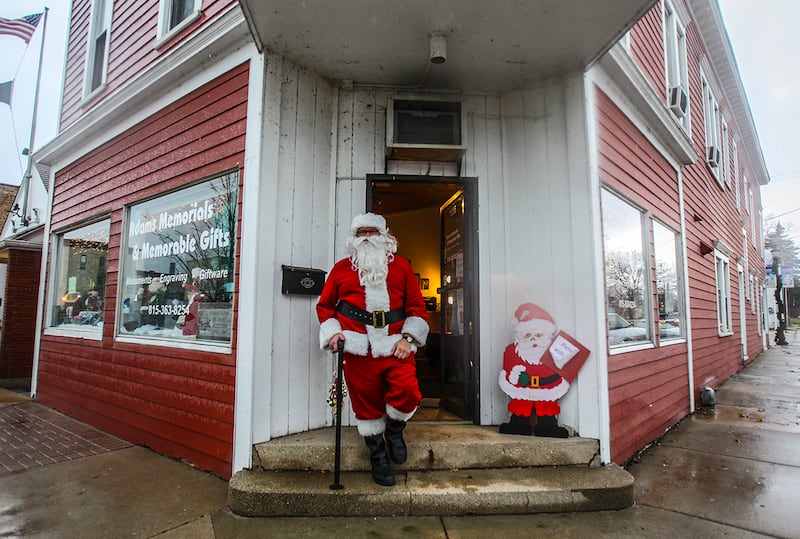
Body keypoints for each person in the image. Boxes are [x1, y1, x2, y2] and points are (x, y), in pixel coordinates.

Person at [317, 212, 429, 486]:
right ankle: (377, 457)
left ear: (384, 236)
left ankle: (394, 431)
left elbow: (417, 309)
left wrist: (409, 339)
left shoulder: (401, 267)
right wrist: (333, 334)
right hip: (356, 348)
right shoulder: (341, 269)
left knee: (408, 390)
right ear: (353, 238)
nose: (366, 237)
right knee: (365, 404)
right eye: (361, 233)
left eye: (372, 232)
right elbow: (325, 307)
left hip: (395, 346)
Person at [498, 303, 570, 438]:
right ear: (519, 335)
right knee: (520, 405)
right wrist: (513, 376)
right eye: (527, 335)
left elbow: (564, 367)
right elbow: (508, 370)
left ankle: (547, 426)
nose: (533, 339)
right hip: (521, 386)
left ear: (547, 334)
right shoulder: (512, 351)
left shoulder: (555, 349)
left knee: (547, 406)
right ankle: (518, 425)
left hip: (549, 385)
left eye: (538, 335)